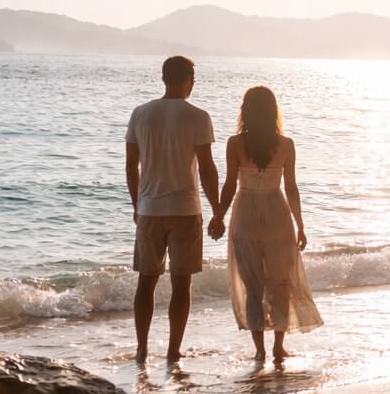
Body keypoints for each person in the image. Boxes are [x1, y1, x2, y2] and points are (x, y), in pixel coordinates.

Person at [214, 85, 322, 361]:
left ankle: (259, 350)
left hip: (245, 214)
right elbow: (292, 188)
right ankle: (278, 347)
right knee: (280, 283)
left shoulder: (235, 144)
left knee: (253, 285)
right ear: (274, 111)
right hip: (277, 214)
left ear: (245, 111)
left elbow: (228, 186)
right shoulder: (285, 145)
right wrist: (300, 225)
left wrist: (218, 215)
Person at [125, 55, 219, 363]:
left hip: (150, 208)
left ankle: (141, 349)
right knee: (181, 283)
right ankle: (172, 350)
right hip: (185, 209)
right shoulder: (198, 116)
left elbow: (131, 165)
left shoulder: (140, 114)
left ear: (164, 78)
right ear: (189, 79)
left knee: (146, 281)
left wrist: (136, 203)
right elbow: (206, 168)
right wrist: (218, 210)